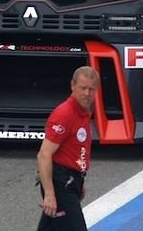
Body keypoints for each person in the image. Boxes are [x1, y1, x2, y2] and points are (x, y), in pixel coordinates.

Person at [37, 66, 100, 230]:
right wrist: (50, 194)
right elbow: (44, 154)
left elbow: (76, 149)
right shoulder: (64, 114)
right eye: (83, 88)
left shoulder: (83, 112)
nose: (87, 93)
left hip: (71, 181)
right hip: (61, 184)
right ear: (72, 86)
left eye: (91, 89)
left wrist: (79, 182)